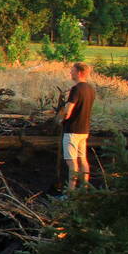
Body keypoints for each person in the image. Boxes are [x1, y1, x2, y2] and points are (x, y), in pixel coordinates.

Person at [55, 62, 95, 190]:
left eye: (72, 71)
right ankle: (84, 189)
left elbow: (68, 112)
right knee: (83, 160)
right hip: (84, 130)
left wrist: (60, 119)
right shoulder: (90, 89)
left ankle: (70, 193)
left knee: (71, 162)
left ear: (79, 72)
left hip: (72, 130)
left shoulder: (76, 89)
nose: (70, 73)